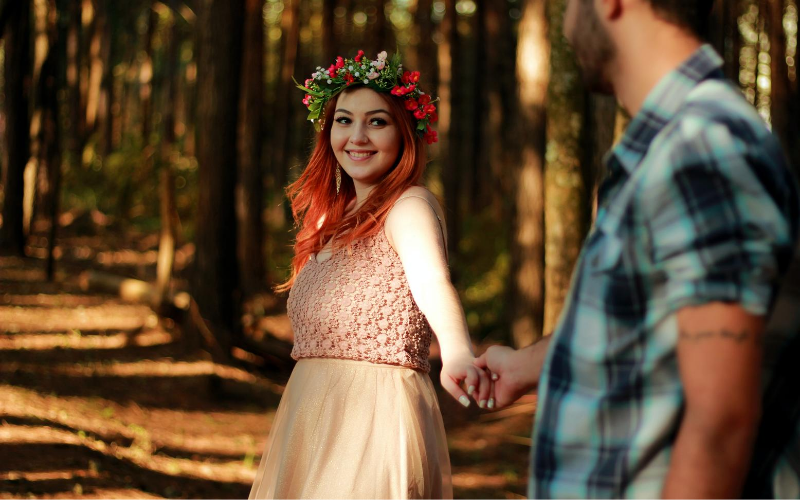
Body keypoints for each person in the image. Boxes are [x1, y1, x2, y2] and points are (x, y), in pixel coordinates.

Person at [475, 0, 800, 497]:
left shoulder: (701, 147)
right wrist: (529, 366)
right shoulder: (675, 147)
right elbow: (657, 326)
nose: (563, 23)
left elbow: (721, 420)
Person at [248, 50, 491, 499]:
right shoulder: (327, 220)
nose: (357, 136)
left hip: (374, 417)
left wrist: (457, 352)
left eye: (376, 121)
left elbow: (433, 282)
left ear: (405, 132)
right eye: (344, 120)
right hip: (308, 416)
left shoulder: (409, 207)